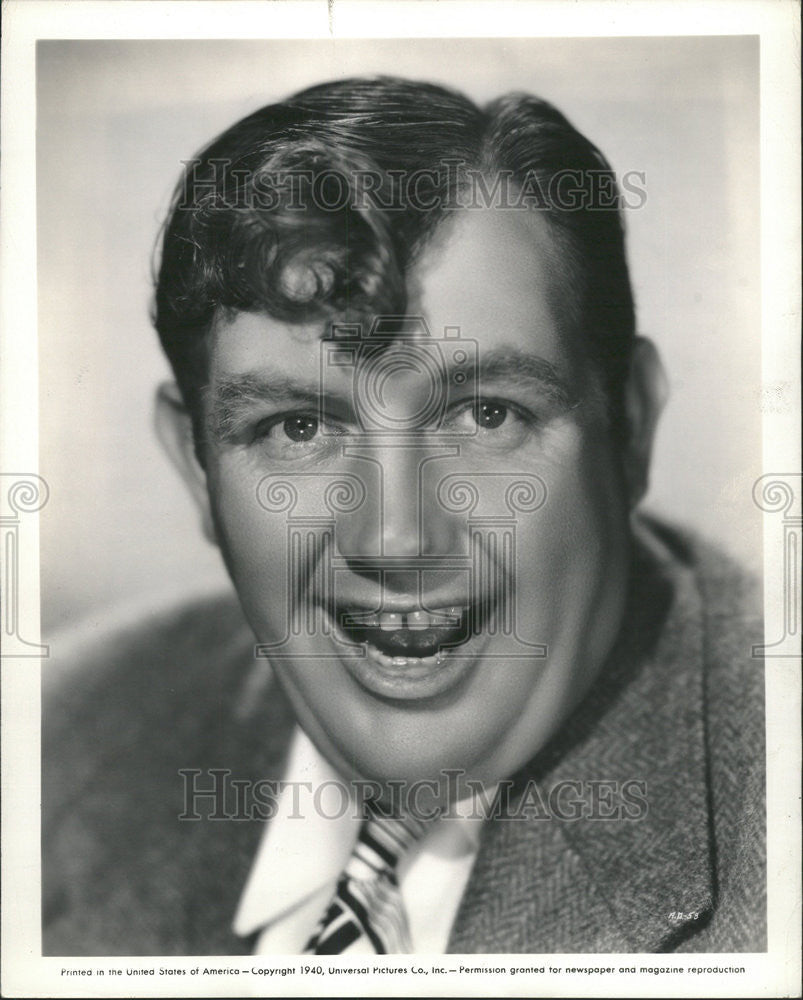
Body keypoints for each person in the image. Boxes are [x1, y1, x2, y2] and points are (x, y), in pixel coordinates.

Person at [42, 76, 765, 955]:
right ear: (197, 467)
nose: (393, 537)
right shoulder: (57, 742)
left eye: (485, 415)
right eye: (298, 426)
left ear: (633, 426)